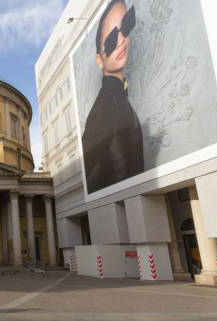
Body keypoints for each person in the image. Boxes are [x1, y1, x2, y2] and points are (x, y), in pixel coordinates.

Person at [82, 0, 143, 194]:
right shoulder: (107, 103)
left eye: (125, 26)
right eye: (110, 41)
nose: (120, 41)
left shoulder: (118, 97)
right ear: (99, 59)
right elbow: (83, 164)